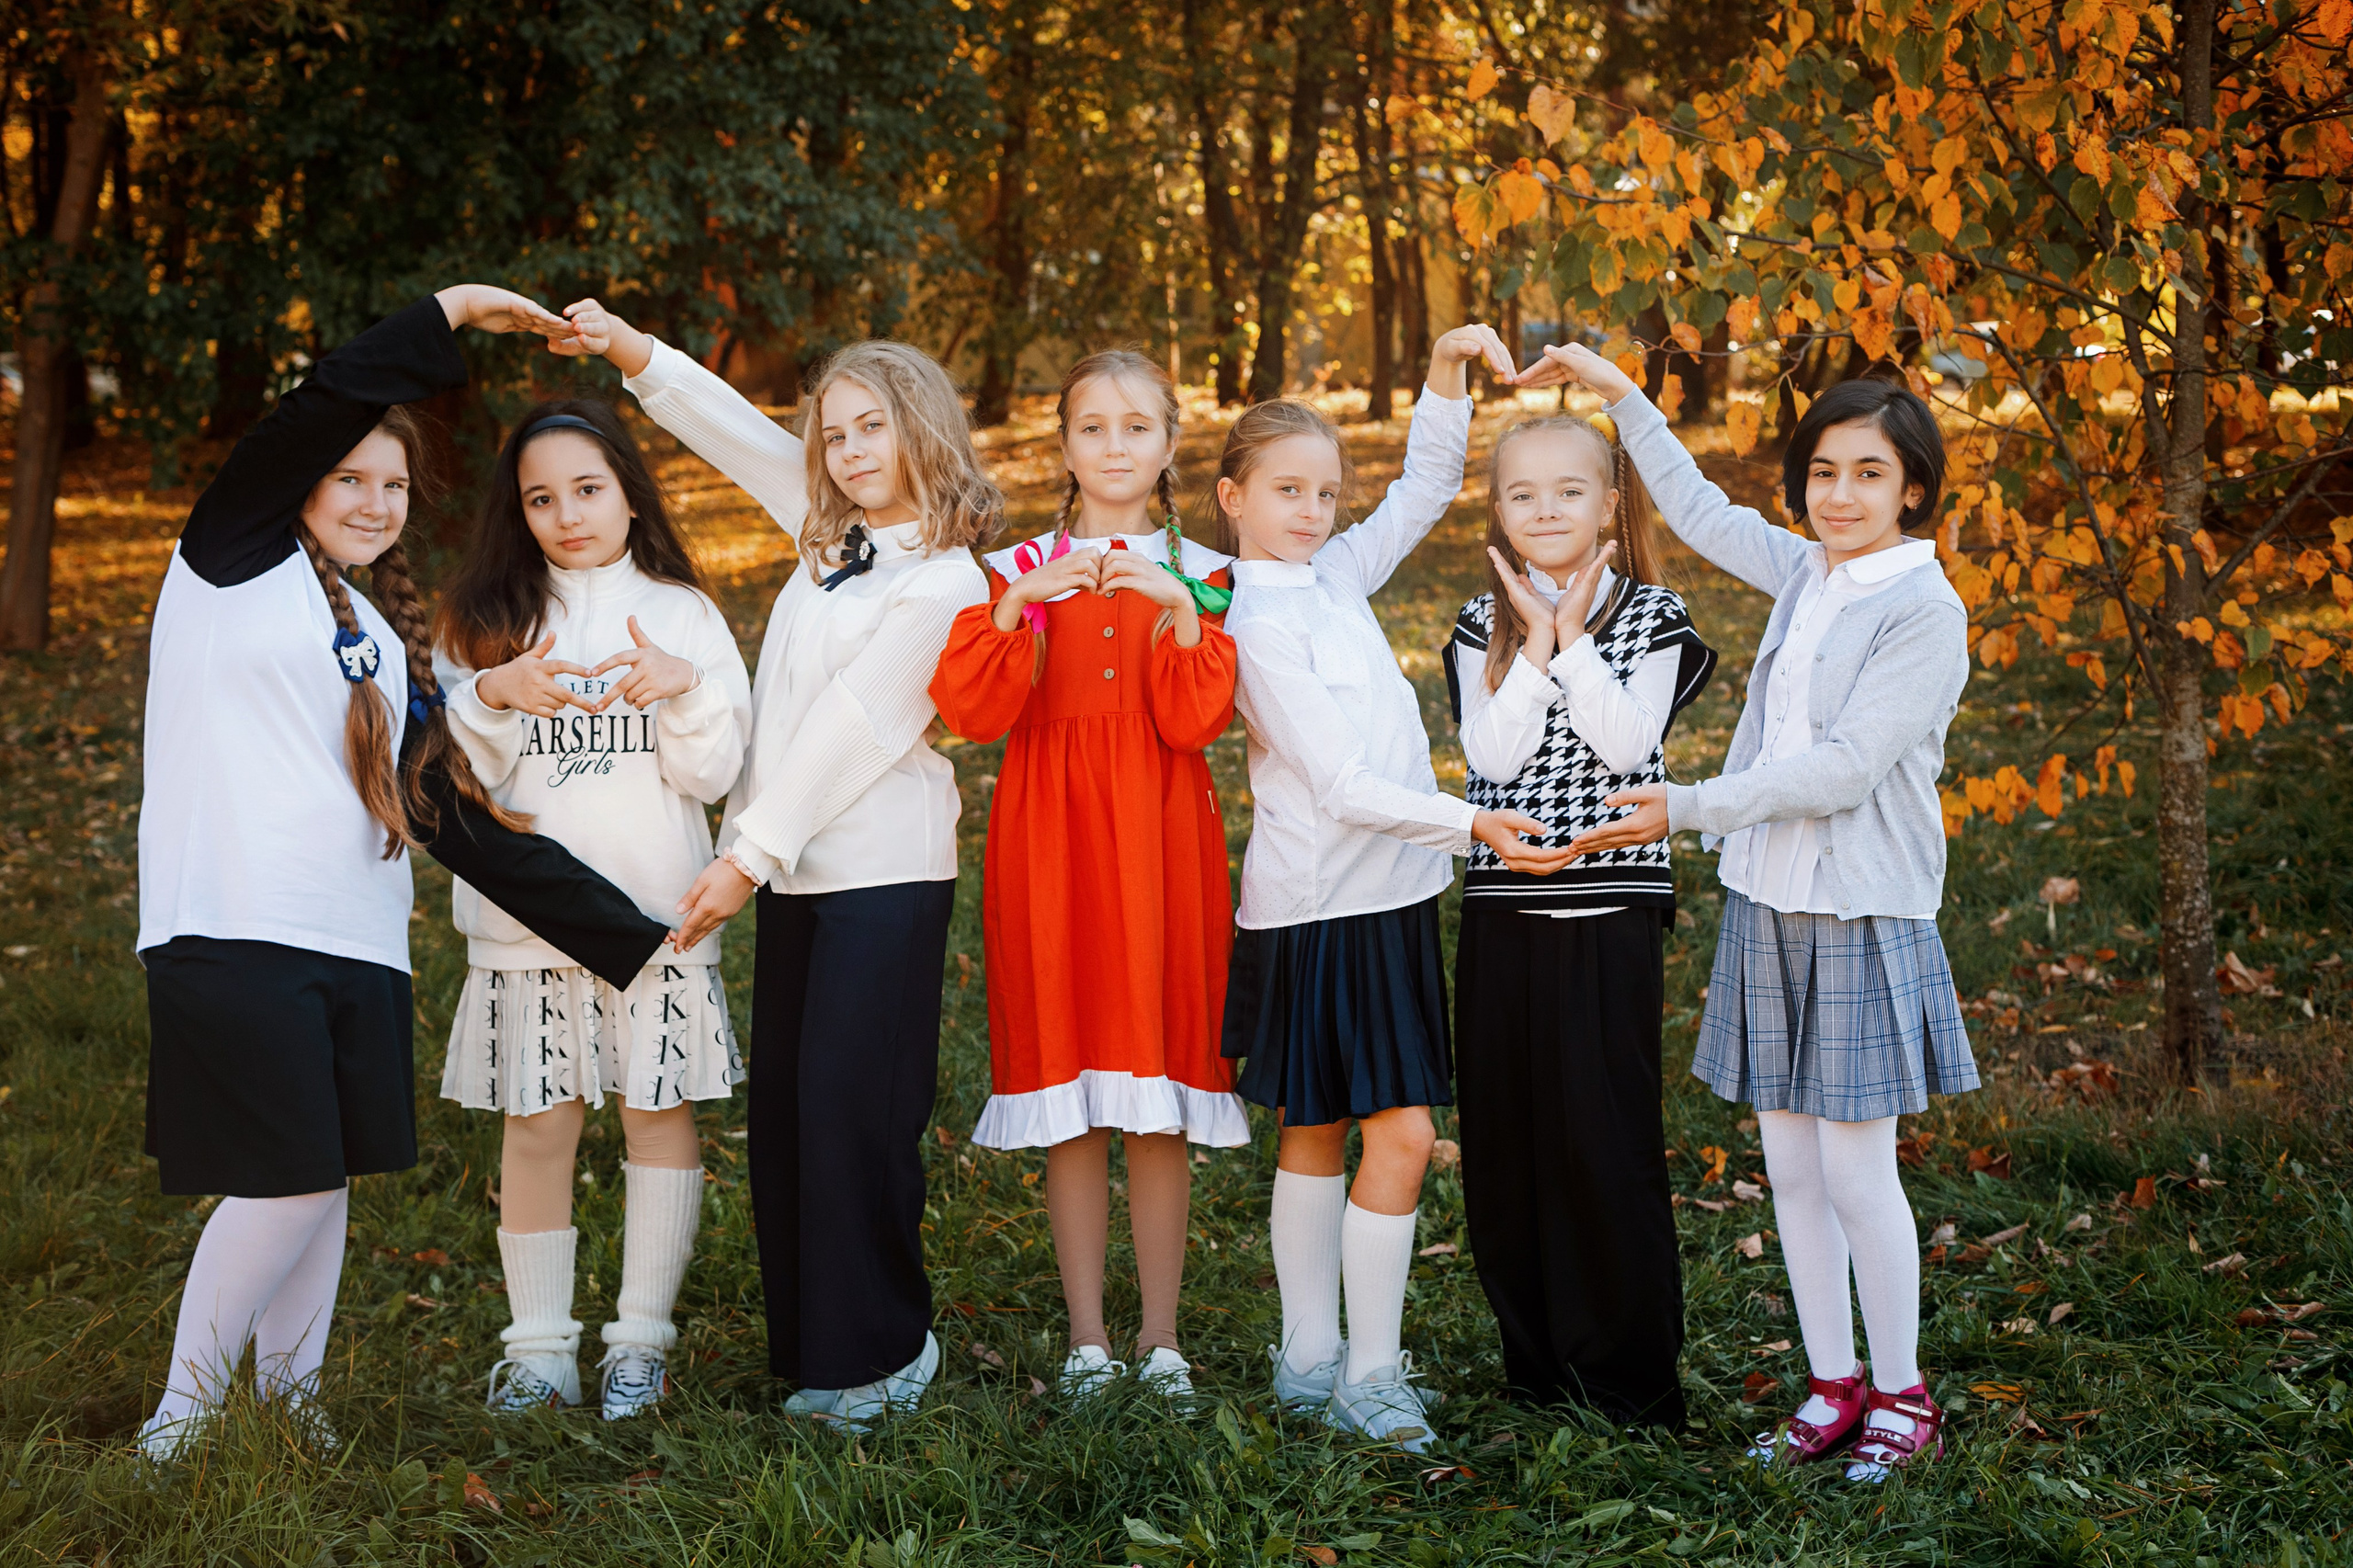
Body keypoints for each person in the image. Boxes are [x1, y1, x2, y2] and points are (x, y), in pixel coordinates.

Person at [135, 286, 675, 1459]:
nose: (377, 502)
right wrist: (453, 311)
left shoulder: (382, 635)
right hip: (235, 923)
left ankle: (289, 1402)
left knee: (321, 1182)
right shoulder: (226, 561)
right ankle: (179, 1419)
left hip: (353, 939)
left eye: (393, 485)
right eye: (350, 480)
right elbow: (323, 397)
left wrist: (632, 934)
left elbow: (447, 811)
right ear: (301, 486)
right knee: (279, 1180)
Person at [1518, 343, 1977, 1480]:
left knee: (1860, 1170)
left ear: (1912, 486)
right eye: (1824, 471)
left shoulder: (1923, 608)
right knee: (1791, 1163)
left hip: (1862, 910)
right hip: (1768, 900)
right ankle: (1831, 1384)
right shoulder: (1807, 572)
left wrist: (1682, 804)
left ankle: (1903, 1395)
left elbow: (1842, 769)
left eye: (1869, 474)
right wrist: (1621, 395)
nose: (1841, 495)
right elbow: (1698, 506)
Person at [559, 301, 997, 1429]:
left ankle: (887, 1350)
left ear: (921, 431)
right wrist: (631, 353)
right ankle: (816, 1343)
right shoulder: (824, 532)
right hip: (794, 874)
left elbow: (856, 724)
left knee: (857, 1109)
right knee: (797, 1114)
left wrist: (741, 859)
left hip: (880, 874)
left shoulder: (945, 578)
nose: (847, 454)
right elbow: (734, 430)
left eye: (870, 430)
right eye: (833, 435)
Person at [1219, 324, 1563, 1454]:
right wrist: (1474, 822)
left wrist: (1441, 379)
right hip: (1321, 908)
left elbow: (1421, 490)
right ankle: (1358, 1368)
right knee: (1386, 1132)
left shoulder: (1334, 573)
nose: (1312, 511)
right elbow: (1340, 783)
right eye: (1286, 490)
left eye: (1324, 491)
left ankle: (1313, 1359)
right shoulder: (1255, 622)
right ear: (1232, 498)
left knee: (1327, 1125)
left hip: (1389, 897)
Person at [929, 349, 1245, 1403]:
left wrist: (1180, 606)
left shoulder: (1206, 568)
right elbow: (973, 713)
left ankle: (1161, 1337)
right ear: (1063, 445)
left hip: (1162, 839)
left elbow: (1195, 720)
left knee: (1154, 1093)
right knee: (1068, 1090)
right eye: (1091, 427)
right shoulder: (1014, 563)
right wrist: (1022, 603)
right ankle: (1087, 1338)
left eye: (1136, 427)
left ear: (1168, 445)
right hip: (1048, 839)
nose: (1114, 445)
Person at [432, 400, 754, 1419]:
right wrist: (492, 691)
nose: (567, 514)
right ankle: (537, 1350)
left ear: (626, 490)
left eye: (587, 488)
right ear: (515, 511)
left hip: (654, 916)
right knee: (536, 1123)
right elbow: (448, 780)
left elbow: (715, 767)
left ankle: (639, 1344)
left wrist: (682, 685)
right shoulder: (482, 618)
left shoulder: (682, 611)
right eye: (540, 497)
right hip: (525, 926)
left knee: (656, 1114)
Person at [1443, 414, 1715, 1428]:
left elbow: (1625, 738)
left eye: (1568, 491)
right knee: (1509, 1143)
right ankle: (1538, 1365)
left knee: (1603, 1138)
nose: (1545, 509)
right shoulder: (1479, 622)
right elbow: (1496, 760)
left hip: (1611, 905)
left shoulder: (1653, 613)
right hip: (1503, 910)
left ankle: (1630, 1381)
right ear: (1499, 512)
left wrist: (1568, 640)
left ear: (1610, 504)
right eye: (1522, 494)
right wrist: (1529, 639)